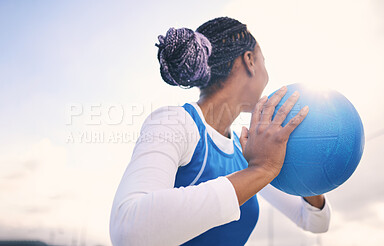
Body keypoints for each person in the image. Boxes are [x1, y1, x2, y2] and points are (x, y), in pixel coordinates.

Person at [109, 17, 331, 246]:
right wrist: (262, 169)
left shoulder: (244, 150)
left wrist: (301, 162)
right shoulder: (175, 122)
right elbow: (128, 231)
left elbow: (315, 222)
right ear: (250, 61)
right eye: (264, 60)